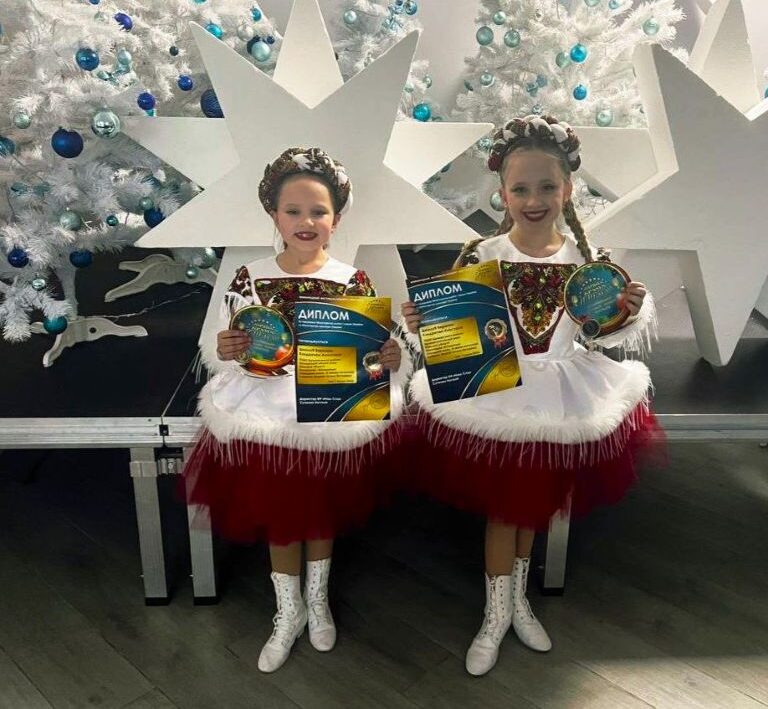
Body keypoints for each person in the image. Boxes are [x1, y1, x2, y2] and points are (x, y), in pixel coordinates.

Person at [401, 115, 660, 676]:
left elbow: (597, 335)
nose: (534, 200)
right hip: (496, 395)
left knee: (531, 509)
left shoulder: (586, 262)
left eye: (547, 187)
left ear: (568, 189)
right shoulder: (483, 254)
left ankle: (517, 604)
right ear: (502, 192)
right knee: (504, 512)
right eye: (521, 189)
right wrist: (423, 323)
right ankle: (496, 614)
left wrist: (624, 313)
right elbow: (455, 335)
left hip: (558, 397)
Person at [183, 147, 411, 673]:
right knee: (282, 515)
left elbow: (372, 352)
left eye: (318, 211)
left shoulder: (354, 281)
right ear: (273, 214)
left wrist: (391, 357)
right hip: (267, 413)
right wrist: (228, 348)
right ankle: (288, 610)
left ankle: (318, 599)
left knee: (319, 508)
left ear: (336, 218)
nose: (306, 222)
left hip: (328, 412)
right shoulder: (249, 277)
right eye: (293, 211)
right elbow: (233, 344)